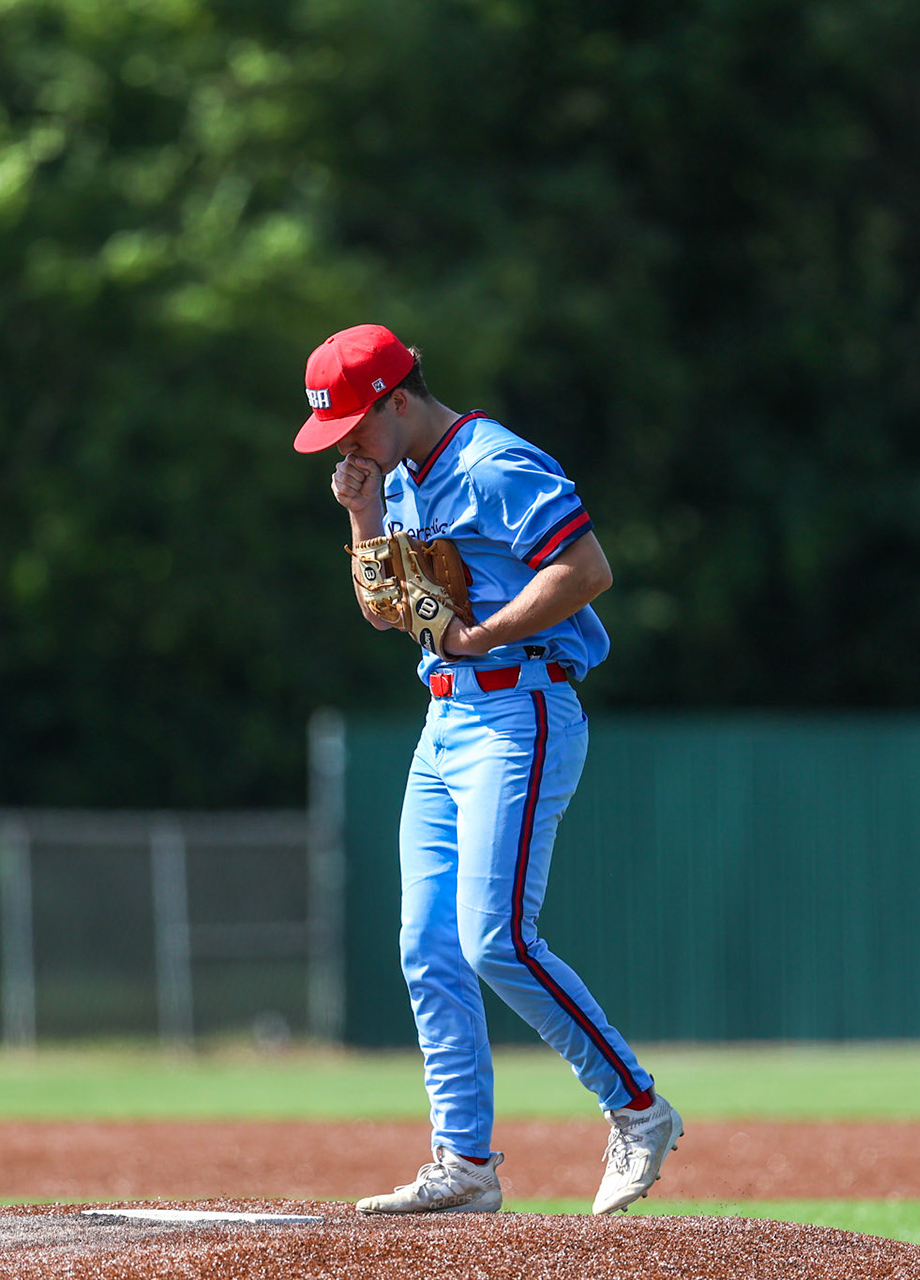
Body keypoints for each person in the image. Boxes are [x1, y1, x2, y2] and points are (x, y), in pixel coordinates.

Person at [294, 323, 681, 1216]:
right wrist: (360, 514)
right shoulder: (400, 481)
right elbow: (389, 614)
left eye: (354, 424)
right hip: (447, 717)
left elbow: (588, 569)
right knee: (426, 947)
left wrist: (484, 634)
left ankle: (637, 1108)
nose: (346, 444)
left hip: (522, 707)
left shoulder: (495, 463)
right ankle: (464, 1164)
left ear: (397, 398)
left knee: (495, 939)